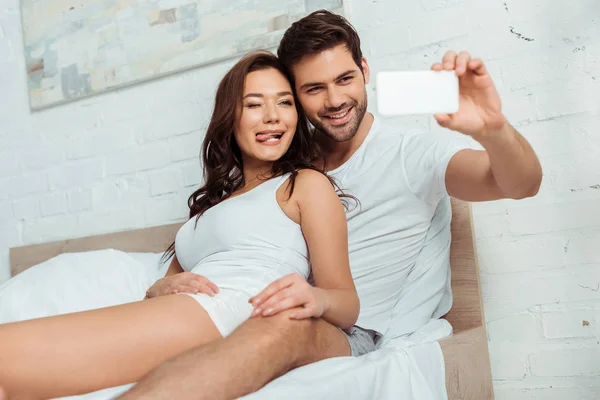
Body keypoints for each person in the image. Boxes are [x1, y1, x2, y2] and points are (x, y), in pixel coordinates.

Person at [115, 9, 543, 400]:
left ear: (365, 70)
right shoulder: (282, 165)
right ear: (295, 97)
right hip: (256, 308)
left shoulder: (411, 154)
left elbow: (519, 184)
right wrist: (166, 286)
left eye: (344, 79)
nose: (335, 101)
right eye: (313, 89)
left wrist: (493, 129)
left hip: (350, 331)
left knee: (282, 329)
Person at [0, 51, 360, 399]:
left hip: (230, 311)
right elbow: (168, 278)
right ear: (230, 116)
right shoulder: (214, 203)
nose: (273, 117)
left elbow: (345, 301)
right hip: (182, 311)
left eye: (284, 103)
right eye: (254, 104)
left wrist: (313, 297)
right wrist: (161, 286)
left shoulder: (304, 184)